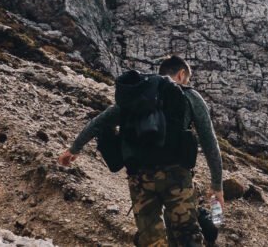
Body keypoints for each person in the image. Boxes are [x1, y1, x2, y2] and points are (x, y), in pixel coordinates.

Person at [58, 56, 224, 247]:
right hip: (176, 175)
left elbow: (99, 122)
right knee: (187, 235)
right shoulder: (188, 95)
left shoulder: (136, 95)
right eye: (187, 79)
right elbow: (209, 141)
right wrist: (217, 185)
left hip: (139, 177)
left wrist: (74, 149)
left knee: (151, 239)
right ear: (181, 74)